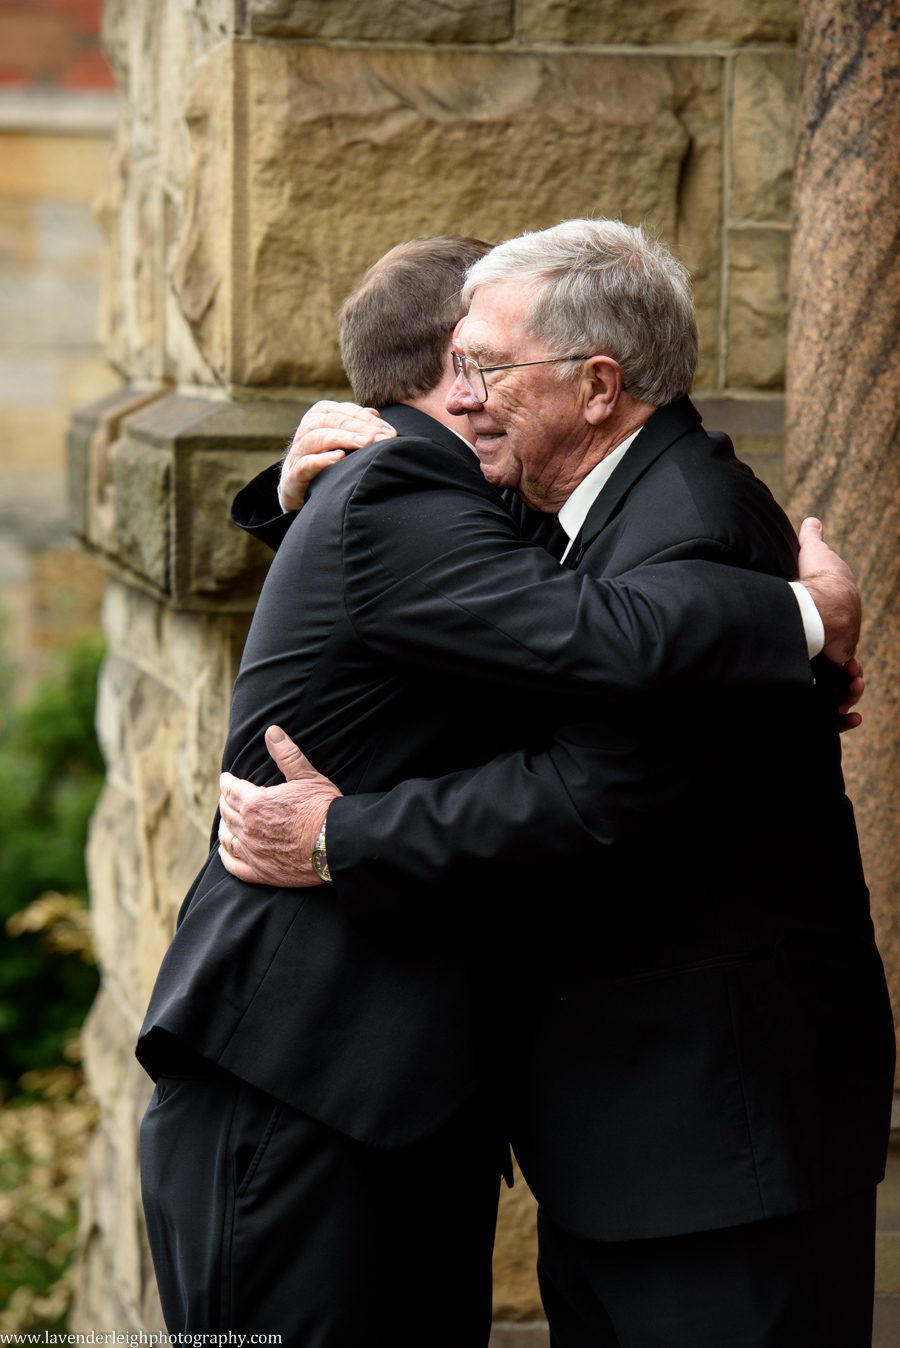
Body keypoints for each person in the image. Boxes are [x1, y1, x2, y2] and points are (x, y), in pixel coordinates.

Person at [216, 221, 893, 1348]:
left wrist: (343, 839)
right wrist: (293, 501)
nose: (460, 398)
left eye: (484, 368)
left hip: (715, 1152)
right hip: (640, 1144)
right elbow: (457, 607)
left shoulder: (695, 526)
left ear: (596, 385)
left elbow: (591, 794)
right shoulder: (580, 499)